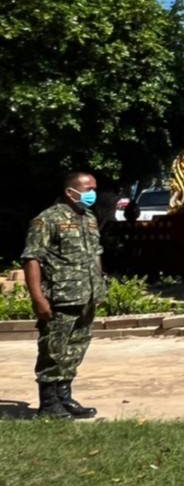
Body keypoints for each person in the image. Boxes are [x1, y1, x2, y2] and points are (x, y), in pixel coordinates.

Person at [22, 171, 106, 420]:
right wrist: (38, 298)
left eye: (94, 188)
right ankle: (48, 404)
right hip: (61, 296)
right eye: (87, 188)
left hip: (87, 296)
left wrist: (99, 286)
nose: (92, 194)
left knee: (75, 348)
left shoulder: (89, 218)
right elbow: (32, 258)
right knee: (53, 350)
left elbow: (96, 254)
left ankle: (64, 397)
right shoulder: (47, 220)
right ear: (71, 192)